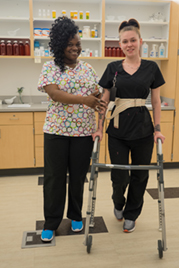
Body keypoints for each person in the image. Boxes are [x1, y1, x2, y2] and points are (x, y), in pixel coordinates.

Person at [38, 16, 107, 242]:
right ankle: (51, 222)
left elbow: (95, 94)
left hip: (82, 134)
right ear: (59, 45)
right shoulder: (50, 67)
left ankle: (76, 215)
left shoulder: (87, 69)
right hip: (56, 132)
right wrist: (84, 100)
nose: (75, 48)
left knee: (78, 177)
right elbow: (55, 94)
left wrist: (101, 98)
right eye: (70, 44)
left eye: (77, 44)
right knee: (54, 178)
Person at [93, 18, 165, 233]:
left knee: (140, 175)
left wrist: (158, 129)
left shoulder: (152, 68)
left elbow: (156, 101)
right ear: (120, 44)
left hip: (143, 129)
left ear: (140, 41)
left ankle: (132, 214)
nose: (129, 44)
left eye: (133, 40)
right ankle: (118, 202)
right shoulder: (113, 68)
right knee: (119, 176)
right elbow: (103, 101)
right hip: (117, 130)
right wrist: (99, 127)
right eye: (124, 41)